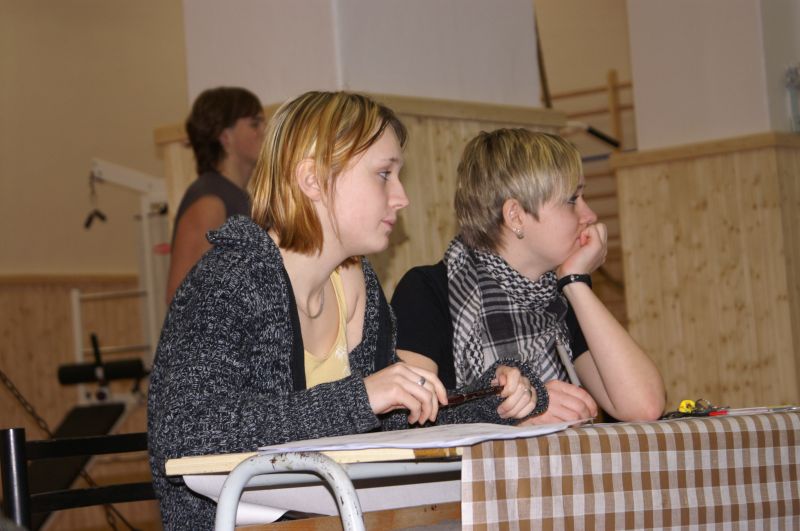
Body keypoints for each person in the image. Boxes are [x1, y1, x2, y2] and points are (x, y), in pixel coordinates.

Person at [147, 93, 545, 530]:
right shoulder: (228, 279)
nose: (401, 197)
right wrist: (362, 396)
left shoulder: (357, 283)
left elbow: (391, 423)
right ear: (313, 179)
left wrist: (492, 399)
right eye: (383, 174)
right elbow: (187, 434)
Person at [391, 129, 665, 424]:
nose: (589, 215)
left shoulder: (559, 296)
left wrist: (575, 283)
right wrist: (520, 413)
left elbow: (644, 407)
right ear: (516, 216)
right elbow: (410, 417)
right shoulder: (427, 291)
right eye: (572, 200)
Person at [165, 86, 265, 303]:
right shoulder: (210, 201)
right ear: (225, 137)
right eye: (255, 124)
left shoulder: (239, 196)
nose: (264, 131)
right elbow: (179, 296)